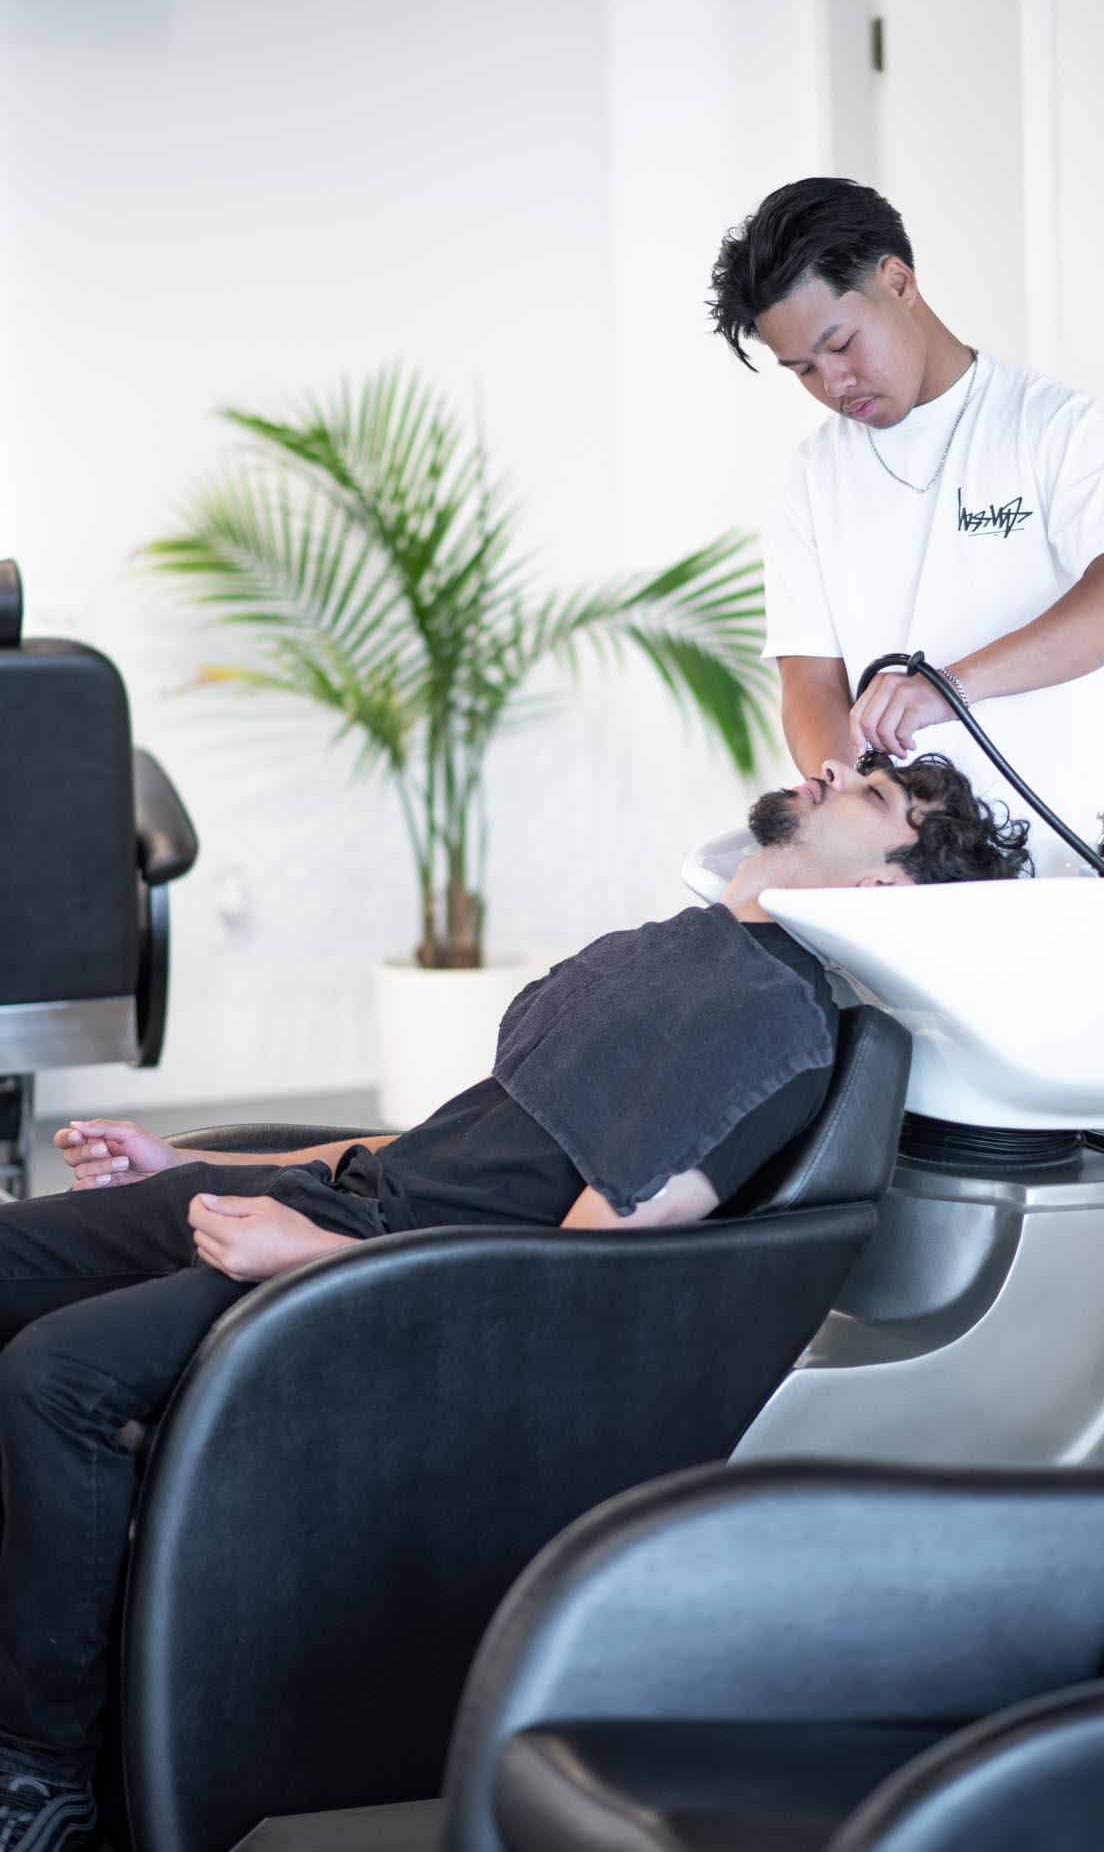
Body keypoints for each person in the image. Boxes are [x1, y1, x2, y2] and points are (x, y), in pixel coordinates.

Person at [0, 751, 1028, 1850]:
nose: (831, 770)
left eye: (872, 794)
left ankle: (46, 1775)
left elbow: (576, 1277)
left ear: (884, 888)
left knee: (59, 1374)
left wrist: (309, 1258)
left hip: (378, 1283)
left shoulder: (773, 1029)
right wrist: (188, 1165)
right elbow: (442, 1140)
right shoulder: (671, 950)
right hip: (329, 1210)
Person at [709, 176, 1104, 843]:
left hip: (1056, 860)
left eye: (839, 346)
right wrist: (862, 819)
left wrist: (946, 688)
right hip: (905, 874)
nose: (832, 384)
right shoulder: (809, 477)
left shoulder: (1052, 424)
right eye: (802, 369)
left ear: (897, 282)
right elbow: (809, 684)